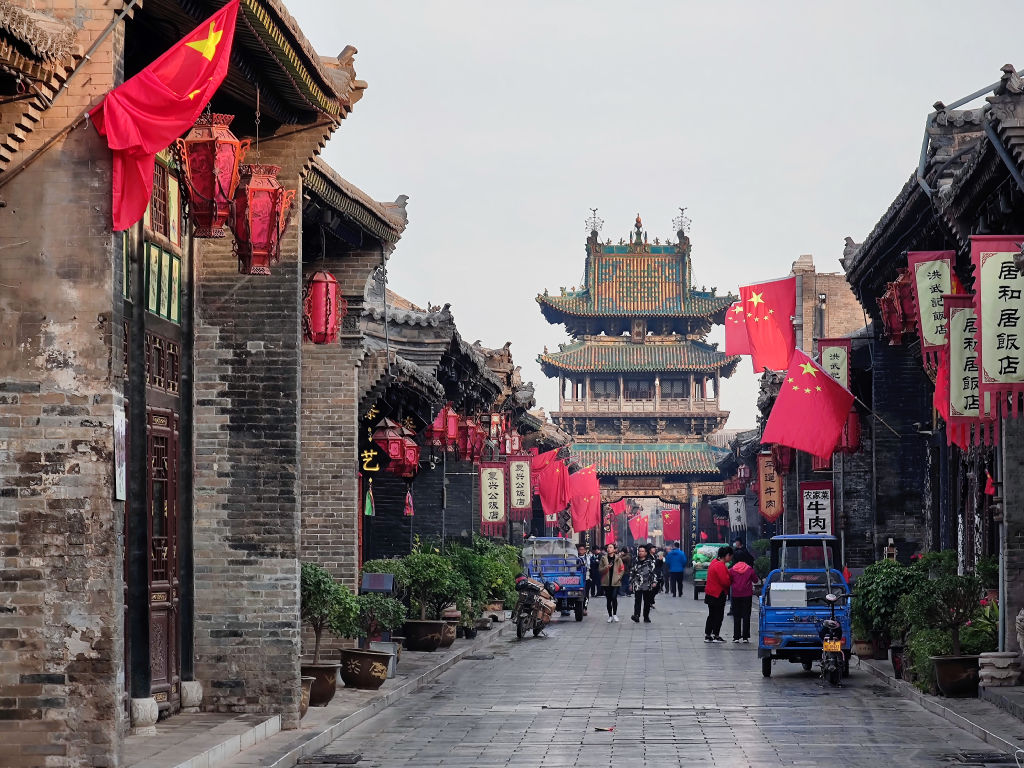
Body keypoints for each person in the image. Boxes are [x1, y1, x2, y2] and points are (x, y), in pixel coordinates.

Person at [704, 546, 733, 643]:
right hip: (718, 594)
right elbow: (725, 582)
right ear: (727, 555)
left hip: (710, 593)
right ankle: (716, 635)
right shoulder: (720, 565)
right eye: (730, 556)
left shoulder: (713, 562)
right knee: (718, 615)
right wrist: (730, 579)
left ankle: (708, 635)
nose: (730, 559)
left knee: (711, 615)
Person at [729, 557, 757, 642]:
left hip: (736, 595)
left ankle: (736, 637)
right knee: (746, 615)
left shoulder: (732, 570)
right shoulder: (749, 569)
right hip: (747, 595)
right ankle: (745, 637)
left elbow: (729, 581)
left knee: (736, 616)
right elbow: (755, 580)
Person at [629, 545, 659, 623]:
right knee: (637, 601)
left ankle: (646, 616)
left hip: (647, 584)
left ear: (646, 552)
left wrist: (654, 581)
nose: (640, 553)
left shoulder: (650, 562)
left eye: (642, 551)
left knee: (647, 601)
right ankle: (636, 615)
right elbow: (632, 572)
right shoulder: (635, 560)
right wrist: (630, 583)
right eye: (639, 551)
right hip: (638, 584)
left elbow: (653, 572)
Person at [598, 543, 625, 622]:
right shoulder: (603, 558)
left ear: (614, 549)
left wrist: (619, 577)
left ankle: (615, 614)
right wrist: (606, 567)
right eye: (608, 547)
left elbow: (622, 569)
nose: (609, 549)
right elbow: (600, 570)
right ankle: (610, 615)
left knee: (614, 597)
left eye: (611, 547)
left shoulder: (618, 559)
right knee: (609, 599)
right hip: (606, 582)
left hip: (615, 581)